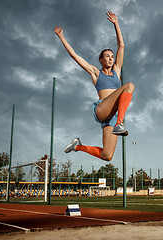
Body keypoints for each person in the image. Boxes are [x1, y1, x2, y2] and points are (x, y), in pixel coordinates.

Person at [54, 11, 134, 161]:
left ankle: (76, 146)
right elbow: (75, 56)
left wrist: (116, 24)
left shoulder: (116, 71)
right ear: (101, 60)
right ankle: (120, 124)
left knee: (107, 155)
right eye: (107, 56)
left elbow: (121, 46)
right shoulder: (95, 72)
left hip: (113, 116)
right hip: (102, 110)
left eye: (112, 56)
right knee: (129, 86)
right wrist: (61, 37)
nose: (111, 58)